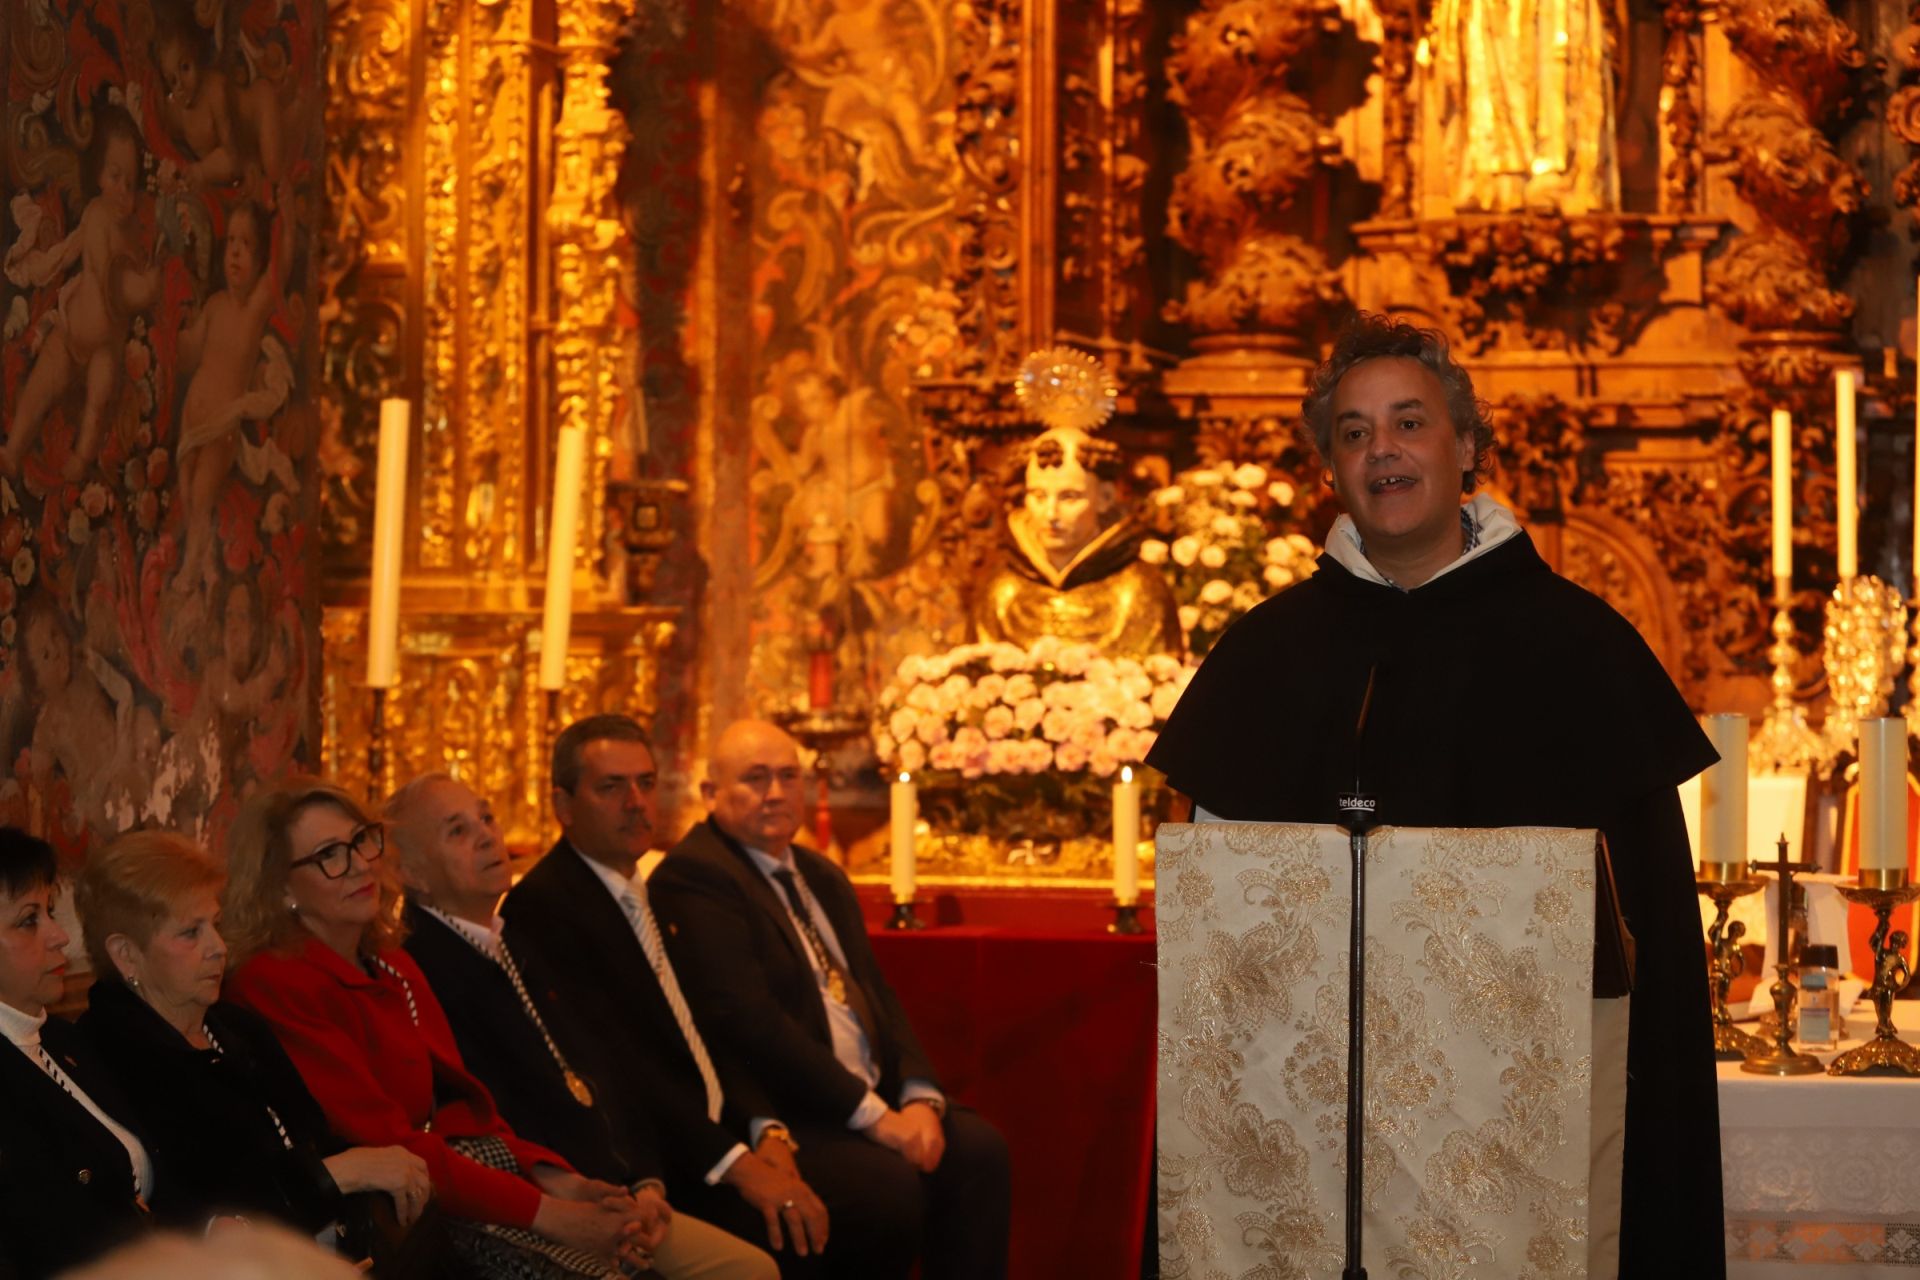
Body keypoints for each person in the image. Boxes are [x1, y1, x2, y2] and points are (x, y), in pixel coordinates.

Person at [1144, 313, 1723, 1277]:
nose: (1385, 453)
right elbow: (1218, 931)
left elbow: (1645, 926)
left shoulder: (1579, 651)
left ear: (1468, 447)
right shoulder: (1266, 654)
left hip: (1517, 1143)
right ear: (1330, 469)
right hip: (1310, 1143)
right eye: (1356, 433)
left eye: (1410, 423)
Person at [220, 776, 658, 1278]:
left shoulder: (391, 962)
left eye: (361, 841)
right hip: (396, 1216)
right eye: (329, 855)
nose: (360, 864)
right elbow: (391, 1142)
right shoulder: (275, 982)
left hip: (457, 1180)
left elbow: (463, 1112)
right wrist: (555, 1217)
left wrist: (555, 1177)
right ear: (281, 888)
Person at [503, 715, 876, 1279]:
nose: (636, 803)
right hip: (655, 1160)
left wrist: (763, 1127)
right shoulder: (548, 907)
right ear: (563, 804)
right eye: (611, 787)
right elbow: (622, 1068)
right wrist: (739, 1166)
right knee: (859, 1210)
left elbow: (704, 1030)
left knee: (881, 1188)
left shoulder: (643, 885)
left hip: (715, 1132)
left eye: (646, 783)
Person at [387, 770, 780, 1280]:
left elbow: (608, 1067)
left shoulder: (516, 941)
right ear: (411, 874)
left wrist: (646, 1183)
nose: (488, 834)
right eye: (457, 831)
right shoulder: (420, 969)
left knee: (752, 1269)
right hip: (545, 1209)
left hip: (618, 1194)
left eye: (486, 817)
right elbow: (488, 1119)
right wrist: (591, 1207)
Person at [654, 719, 1011, 1280]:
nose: (775, 792)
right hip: (792, 1111)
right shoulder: (697, 875)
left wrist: (920, 1095)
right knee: (887, 1188)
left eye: (787, 776)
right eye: (754, 779)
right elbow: (751, 1023)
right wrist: (875, 1118)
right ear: (710, 793)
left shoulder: (819, 872)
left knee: (979, 1153)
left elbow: (876, 993)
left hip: (868, 1095)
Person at [73, 829, 435, 1265]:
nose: (218, 948)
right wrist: (336, 1176)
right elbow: (195, 1211)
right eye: (190, 933)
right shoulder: (113, 1056)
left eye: (216, 924)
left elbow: (312, 1136)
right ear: (126, 955)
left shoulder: (232, 1026)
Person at [0, 827, 152, 1278]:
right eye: (30, 920)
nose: (60, 936)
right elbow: (44, 1238)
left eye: (50, 912)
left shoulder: (63, 1039)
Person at [971, 425, 1179, 657]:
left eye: (1069, 497)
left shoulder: (1139, 591)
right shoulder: (1002, 592)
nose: (1050, 514)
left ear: (1104, 498)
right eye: (1038, 496)